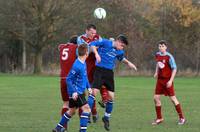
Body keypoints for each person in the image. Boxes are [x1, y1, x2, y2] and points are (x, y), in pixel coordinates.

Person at [87, 34, 137, 131]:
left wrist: (129, 63)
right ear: (118, 41)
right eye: (122, 45)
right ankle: (86, 113)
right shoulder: (106, 42)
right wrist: (96, 54)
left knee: (111, 97)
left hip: (109, 74)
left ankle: (106, 118)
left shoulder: (119, 51)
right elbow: (92, 44)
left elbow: (121, 58)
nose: (122, 48)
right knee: (94, 93)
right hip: (99, 71)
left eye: (123, 47)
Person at [52, 44, 92, 132]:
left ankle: (58, 128)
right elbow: (69, 79)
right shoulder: (77, 65)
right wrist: (74, 92)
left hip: (77, 92)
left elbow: (84, 77)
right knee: (87, 109)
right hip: (77, 93)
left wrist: (88, 87)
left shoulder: (83, 63)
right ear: (86, 53)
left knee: (71, 111)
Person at [77, 24, 109, 122]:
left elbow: (102, 46)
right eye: (91, 33)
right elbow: (86, 50)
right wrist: (95, 47)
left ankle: (104, 99)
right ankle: (91, 112)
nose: (93, 35)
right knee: (88, 90)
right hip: (86, 66)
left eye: (94, 33)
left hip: (97, 64)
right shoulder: (80, 38)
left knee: (98, 85)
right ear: (86, 31)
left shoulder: (97, 37)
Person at [152, 40, 186, 125]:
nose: (161, 48)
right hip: (160, 80)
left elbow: (174, 69)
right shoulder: (157, 54)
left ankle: (182, 118)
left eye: (163, 46)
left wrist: (171, 80)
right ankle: (159, 118)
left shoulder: (169, 57)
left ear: (166, 47)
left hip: (167, 81)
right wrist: (156, 72)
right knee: (156, 98)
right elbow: (158, 63)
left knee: (173, 99)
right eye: (159, 46)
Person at [58, 35, 78, 119]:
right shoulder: (76, 48)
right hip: (72, 79)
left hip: (63, 79)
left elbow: (59, 46)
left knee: (65, 103)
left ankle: (63, 127)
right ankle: (84, 124)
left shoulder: (63, 47)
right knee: (82, 104)